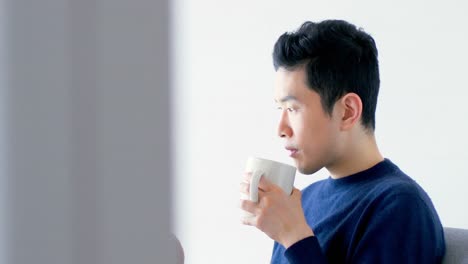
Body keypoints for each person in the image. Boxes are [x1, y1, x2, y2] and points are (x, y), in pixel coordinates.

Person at [239, 19, 445, 263]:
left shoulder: (399, 206)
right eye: (279, 108)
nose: (281, 129)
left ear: (347, 111)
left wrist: (294, 236)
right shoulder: (303, 201)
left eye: (293, 109)